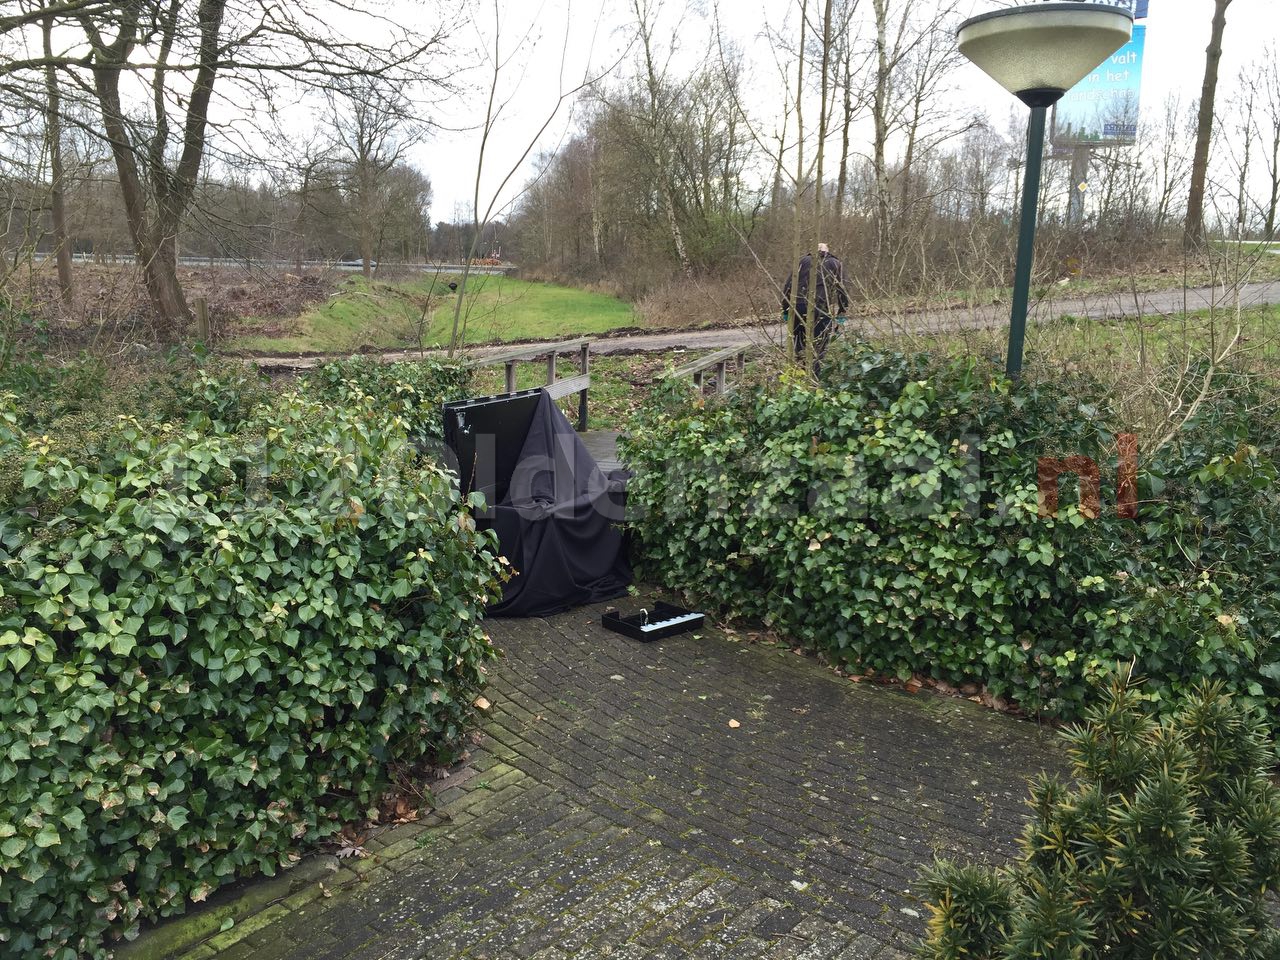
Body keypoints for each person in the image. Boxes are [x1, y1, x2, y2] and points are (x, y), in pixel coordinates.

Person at [782, 242, 848, 374]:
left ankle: (801, 376)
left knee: (799, 343)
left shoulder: (801, 261)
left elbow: (788, 286)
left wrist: (785, 309)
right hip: (820, 307)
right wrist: (842, 311)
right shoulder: (835, 264)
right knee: (819, 345)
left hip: (798, 307)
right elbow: (842, 290)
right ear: (827, 250)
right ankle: (814, 377)